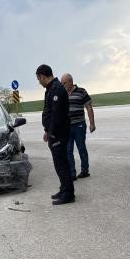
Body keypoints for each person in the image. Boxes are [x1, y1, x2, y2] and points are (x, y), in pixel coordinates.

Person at [36, 64, 74, 204]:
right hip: (54, 133)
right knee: (59, 164)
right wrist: (47, 131)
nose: (38, 82)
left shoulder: (57, 89)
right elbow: (50, 113)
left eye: (38, 79)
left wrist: (51, 133)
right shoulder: (50, 88)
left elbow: (57, 116)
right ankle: (64, 188)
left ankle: (68, 194)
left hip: (59, 134)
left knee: (62, 164)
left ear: (43, 76)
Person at [60, 73, 95, 179]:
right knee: (68, 151)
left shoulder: (81, 91)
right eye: (62, 83)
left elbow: (89, 107)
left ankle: (85, 170)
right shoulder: (62, 93)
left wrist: (92, 123)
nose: (63, 85)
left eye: (64, 83)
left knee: (81, 148)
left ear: (71, 82)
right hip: (66, 127)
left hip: (79, 125)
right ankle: (72, 173)